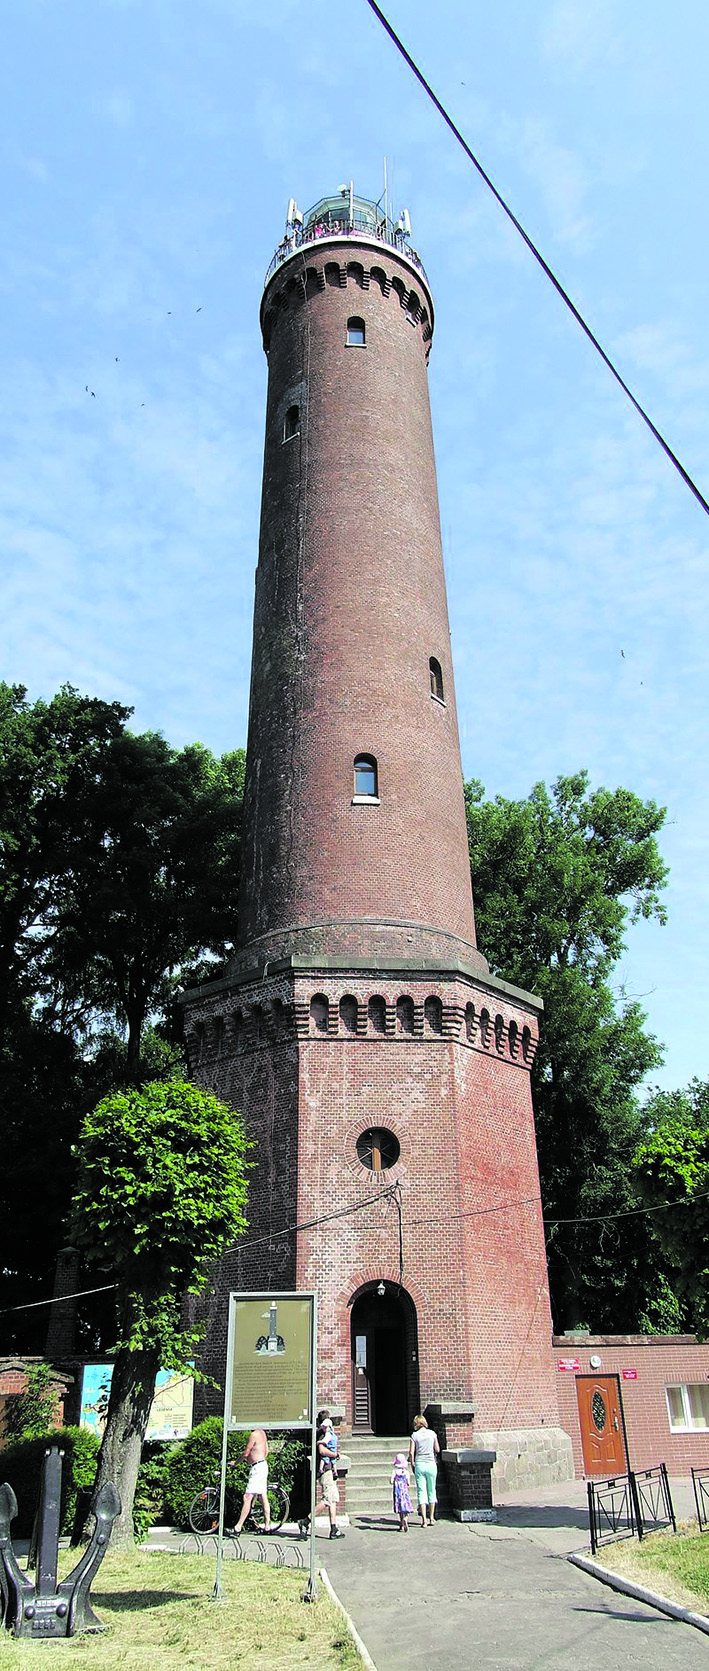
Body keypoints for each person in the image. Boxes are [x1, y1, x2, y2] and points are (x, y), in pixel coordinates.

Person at [234, 1426, 270, 1533]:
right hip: (263, 1465)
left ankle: (238, 1527)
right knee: (263, 1496)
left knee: (247, 1497)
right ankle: (267, 1526)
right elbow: (266, 1451)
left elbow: (246, 1453)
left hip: (257, 1468)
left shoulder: (253, 1435)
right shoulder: (262, 1433)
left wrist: (235, 1463)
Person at [316, 1408, 344, 1539]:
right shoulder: (323, 1434)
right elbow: (322, 1450)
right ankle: (306, 1521)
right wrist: (335, 1454)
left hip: (329, 1471)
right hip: (326, 1471)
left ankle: (333, 1528)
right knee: (327, 1499)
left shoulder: (326, 1432)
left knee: (332, 1498)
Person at [409, 1414, 440, 1527]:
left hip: (420, 1464)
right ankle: (431, 1518)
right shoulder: (432, 1434)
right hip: (431, 1464)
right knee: (432, 1490)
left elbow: (411, 1453)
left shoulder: (414, 1435)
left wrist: (412, 1464)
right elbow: (437, 1449)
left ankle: (424, 1520)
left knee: (421, 1492)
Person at [391, 1451, 413, 1532]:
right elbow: (408, 1483)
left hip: (397, 1493)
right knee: (406, 1508)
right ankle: (405, 1519)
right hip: (404, 1493)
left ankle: (401, 1524)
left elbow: (391, 1481)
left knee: (400, 1509)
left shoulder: (395, 1471)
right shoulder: (406, 1472)